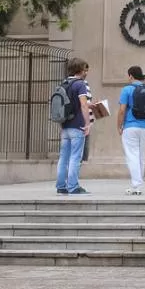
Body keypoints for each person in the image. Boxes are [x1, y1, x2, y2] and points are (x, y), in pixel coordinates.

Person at [117, 65, 145, 195]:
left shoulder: (127, 89)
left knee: (132, 155)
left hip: (130, 126)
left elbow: (122, 110)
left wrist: (119, 125)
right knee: (141, 156)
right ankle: (137, 186)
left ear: (130, 76)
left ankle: (136, 185)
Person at [55, 57, 91, 195]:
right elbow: (83, 104)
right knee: (75, 157)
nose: (86, 72)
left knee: (63, 157)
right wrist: (87, 123)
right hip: (77, 126)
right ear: (80, 70)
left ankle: (61, 186)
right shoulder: (80, 84)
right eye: (85, 69)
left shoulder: (64, 83)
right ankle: (73, 186)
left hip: (65, 125)